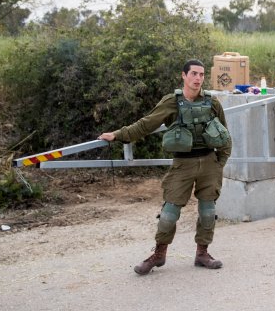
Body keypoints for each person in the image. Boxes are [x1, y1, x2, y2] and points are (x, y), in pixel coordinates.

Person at [99, 59, 233, 276]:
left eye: (201, 74)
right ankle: (159, 255)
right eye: (194, 74)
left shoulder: (212, 102)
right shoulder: (172, 102)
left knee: (208, 212)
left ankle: (202, 253)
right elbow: (146, 124)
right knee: (169, 214)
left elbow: (225, 136)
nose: (198, 78)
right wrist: (118, 135)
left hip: (209, 162)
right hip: (183, 164)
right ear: (184, 76)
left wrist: (220, 163)